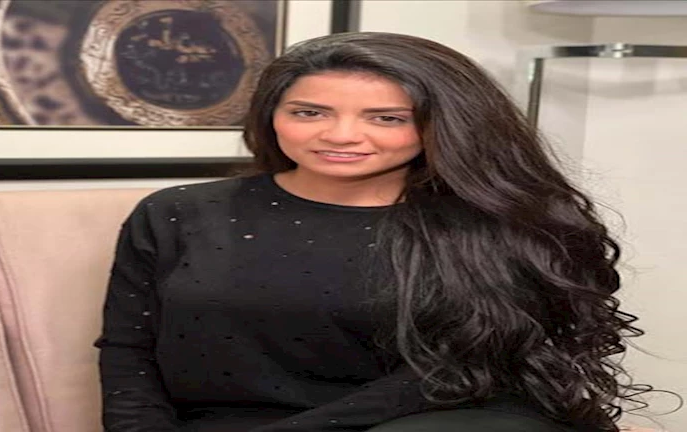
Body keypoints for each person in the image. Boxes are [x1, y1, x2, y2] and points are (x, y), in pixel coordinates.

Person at [95, 32, 649, 432]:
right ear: (271, 115)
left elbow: (454, 374)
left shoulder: (494, 220)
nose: (341, 135)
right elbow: (129, 350)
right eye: (308, 112)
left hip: (442, 418)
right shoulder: (177, 213)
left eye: (387, 118)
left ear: (443, 125)